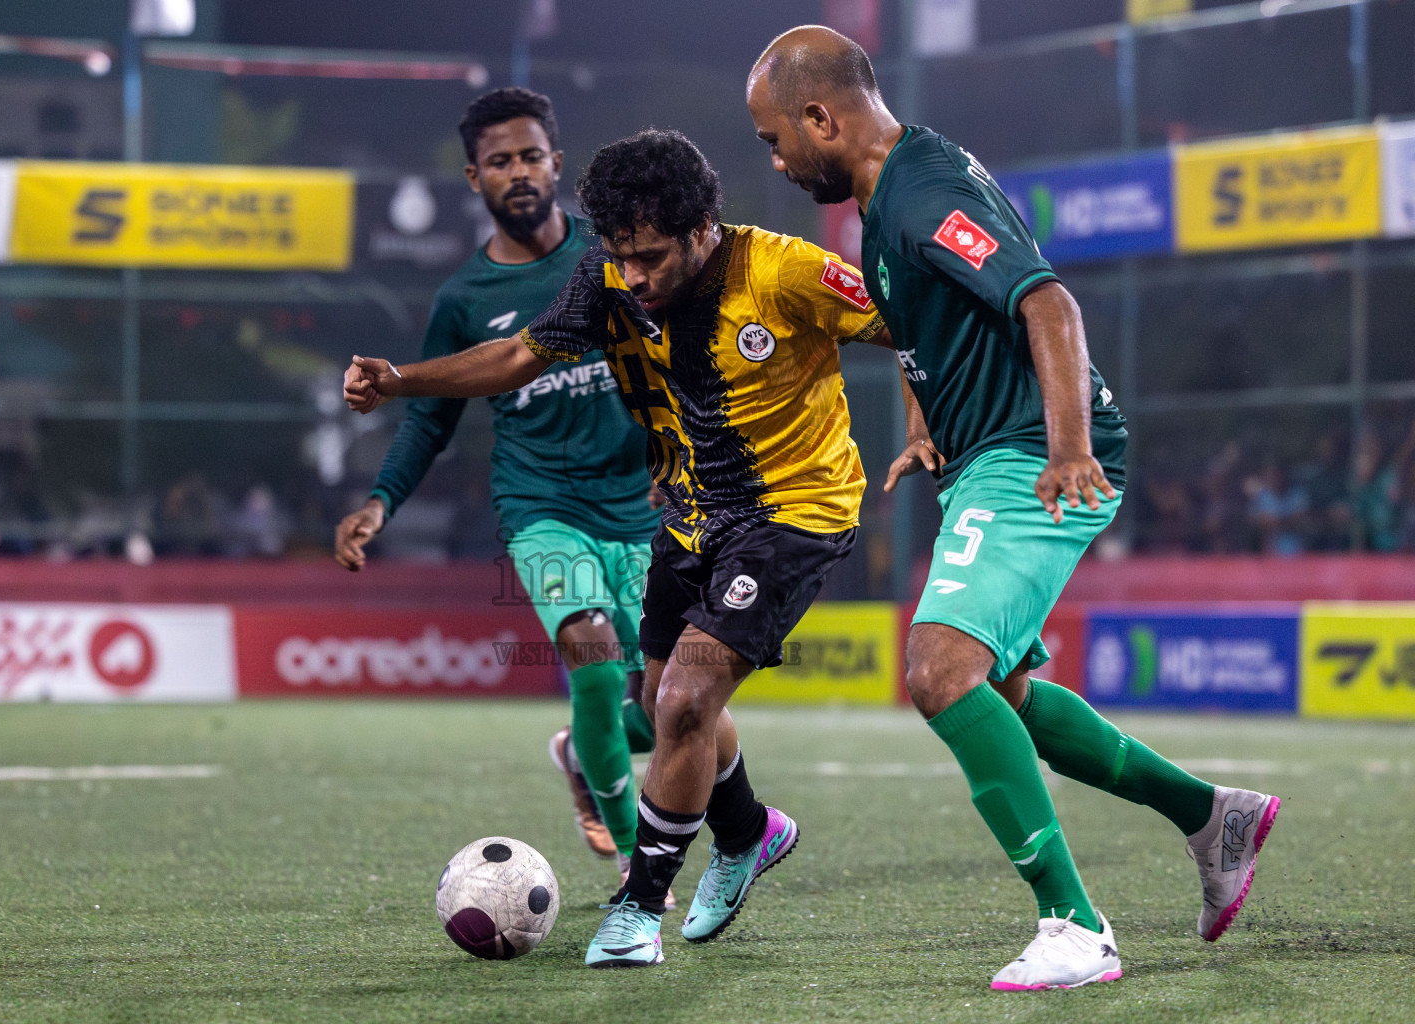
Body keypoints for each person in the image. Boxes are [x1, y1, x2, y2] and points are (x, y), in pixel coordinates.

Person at [747, 26, 1280, 990]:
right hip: (989, 453)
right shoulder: (901, 184)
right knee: (1002, 693)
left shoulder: (920, 196)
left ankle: (1075, 927)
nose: (777, 159)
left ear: (822, 116)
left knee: (941, 668)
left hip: (1033, 456)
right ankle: (1213, 816)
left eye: (776, 137)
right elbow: (926, 327)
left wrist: (1068, 446)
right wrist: (921, 419)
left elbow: (1049, 305)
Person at [344, 127, 890, 968]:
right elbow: (519, 356)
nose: (635, 276)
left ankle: (638, 907)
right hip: (689, 514)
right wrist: (401, 379)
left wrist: (948, 431)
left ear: (705, 225)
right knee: (666, 697)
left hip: (796, 510)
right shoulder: (607, 280)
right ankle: (747, 831)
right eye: (622, 255)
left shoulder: (783, 270)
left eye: (653, 256)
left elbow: (914, 327)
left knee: (681, 701)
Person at [332, 88, 663, 895]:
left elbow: (674, 361)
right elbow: (428, 421)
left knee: (673, 704)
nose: (518, 173)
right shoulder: (464, 301)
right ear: (474, 177)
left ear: (557, 163)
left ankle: (581, 753)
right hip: (541, 508)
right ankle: (634, 862)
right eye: (499, 162)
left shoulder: (614, 257)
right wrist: (381, 500)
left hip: (641, 510)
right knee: (591, 655)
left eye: (530, 156)